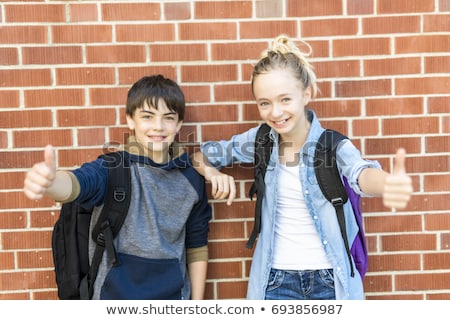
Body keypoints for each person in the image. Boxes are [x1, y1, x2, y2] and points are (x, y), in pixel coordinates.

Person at [191, 35, 413, 300]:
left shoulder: (332, 146)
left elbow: (360, 174)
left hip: (331, 282)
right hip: (275, 281)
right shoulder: (260, 141)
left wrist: (387, 185)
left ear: (306, 93)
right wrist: (213, 172)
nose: (275, 112)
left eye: (285, 99)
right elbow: (200, 157)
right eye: (265, 103)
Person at [24, 75, 212, 300]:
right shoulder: (112, 169)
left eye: (168, 118)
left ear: (179, 123)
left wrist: (197, 307)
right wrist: (52, 183)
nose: (158, 126)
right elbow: (78, 183)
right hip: (114, 298)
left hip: (172, 299)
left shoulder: (191, 179)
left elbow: (196, 244)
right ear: (130, 120)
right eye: (147, 117)